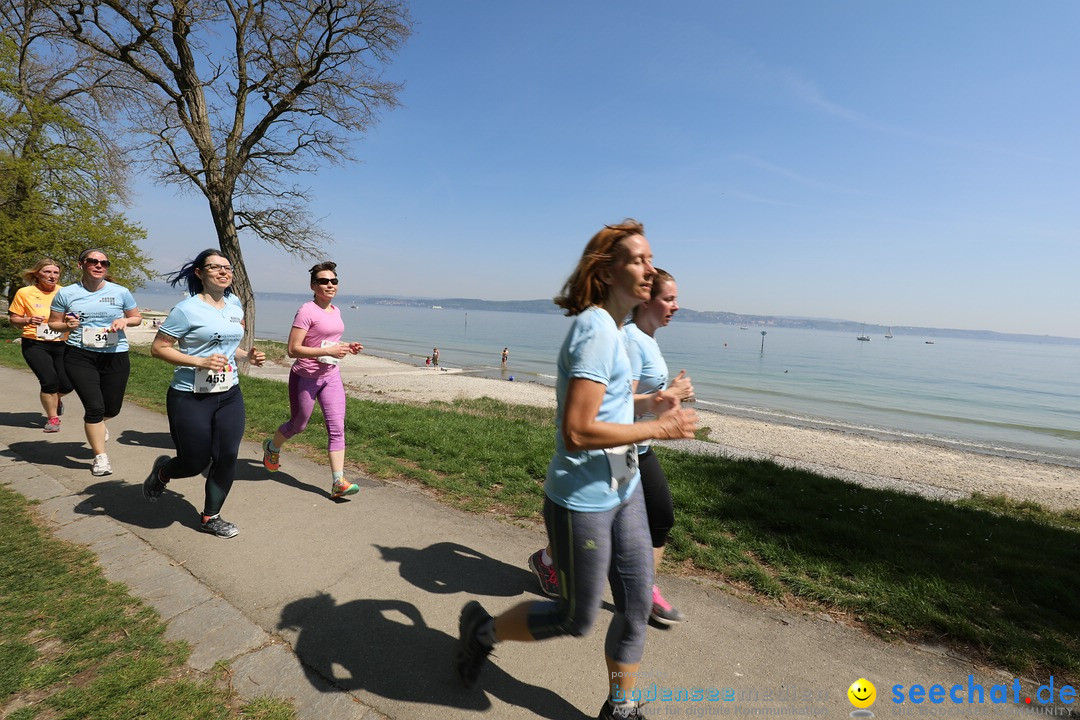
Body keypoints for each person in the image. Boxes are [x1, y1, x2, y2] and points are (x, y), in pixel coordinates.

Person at [453, 220, 697, 720]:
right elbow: (579, 432)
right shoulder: (593, 330)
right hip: (580, 503)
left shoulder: (614, 331)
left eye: (651, 259)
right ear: (606, 273)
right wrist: (658, 430)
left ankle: (620, 708)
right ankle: (482, 631)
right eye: (638, 260)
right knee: (575, 617)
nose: (650, 269)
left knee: (633, 609)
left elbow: (611, 404)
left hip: (623, 487)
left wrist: (653, 403)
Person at [527, 269, 696, 628]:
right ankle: (636, 594)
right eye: (668, 299)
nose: (676, 306)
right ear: (646, 300)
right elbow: (618, 400)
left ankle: (631, 590)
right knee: (649, 518)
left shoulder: (645, 338)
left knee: (648, 518)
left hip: (636, 445)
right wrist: (659, 403)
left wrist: (667, 398)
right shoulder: (632, 339)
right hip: (622, 446)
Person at [144, 249, 266, 538]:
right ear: (199, 273)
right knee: (194, 462)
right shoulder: (185, 310)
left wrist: (248, 356)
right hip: (190, 395)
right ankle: (163, 472)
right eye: (215, 267)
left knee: (226, 456)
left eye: (228, 267)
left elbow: (228, 348)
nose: (224, 272)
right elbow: (158, 348)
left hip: (229, 393)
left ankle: (211, 517)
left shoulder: (235, 304)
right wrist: (200, 361)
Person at [262, 261, 364, 499]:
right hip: (305, 377)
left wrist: (347, 346)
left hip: (331, 376)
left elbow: (327, 341)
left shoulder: (336, 311)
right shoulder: (306, 311)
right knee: (299, 425)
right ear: (313, 285)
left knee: (337, 427)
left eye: (334, 281)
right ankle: (272, 447)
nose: (330, 285)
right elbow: (293, 349)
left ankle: (338, 481)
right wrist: (328, 352)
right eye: (323, 281)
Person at [48, 249, 142, 476]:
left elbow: (137, 318)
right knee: (94, 408)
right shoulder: (67, 293)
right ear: (81, 265)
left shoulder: (120, 292)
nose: (99, 266)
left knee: (112, 408)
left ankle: (99, 424)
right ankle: (100, 457)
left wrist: (125, 321)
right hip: (80, 355)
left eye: (104, 263)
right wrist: (67, 326)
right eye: (93, 261)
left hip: (115, 354)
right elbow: (53, 324)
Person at [8, 259, 72, 432]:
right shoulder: (25, 292)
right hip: (35, 343)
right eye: (47, 272)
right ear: (37, 274)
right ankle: (52, 419)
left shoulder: (65, 292)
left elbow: (74, 313)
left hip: (62, 342)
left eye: (56, 273)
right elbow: (14, 319)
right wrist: (27, 320)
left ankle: (55, 399)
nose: (52, 276)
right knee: (49, 382)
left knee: (68, 383)